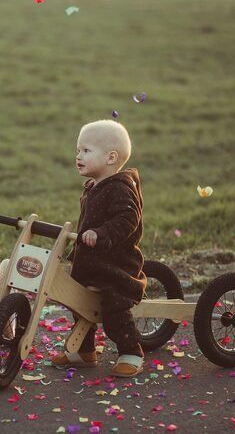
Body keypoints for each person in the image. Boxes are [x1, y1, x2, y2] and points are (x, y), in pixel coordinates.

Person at [52, 119, 147, 377]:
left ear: (111, 157)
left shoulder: (120, 187)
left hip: (114, 265)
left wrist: (101, 234)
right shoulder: (95, 185)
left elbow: (128, 219)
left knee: (114, 308)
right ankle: (85, 351)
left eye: (86, 151)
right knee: (80, 303)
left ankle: (131, 351)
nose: (78, 157)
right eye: (77, 151)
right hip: (91, 262)